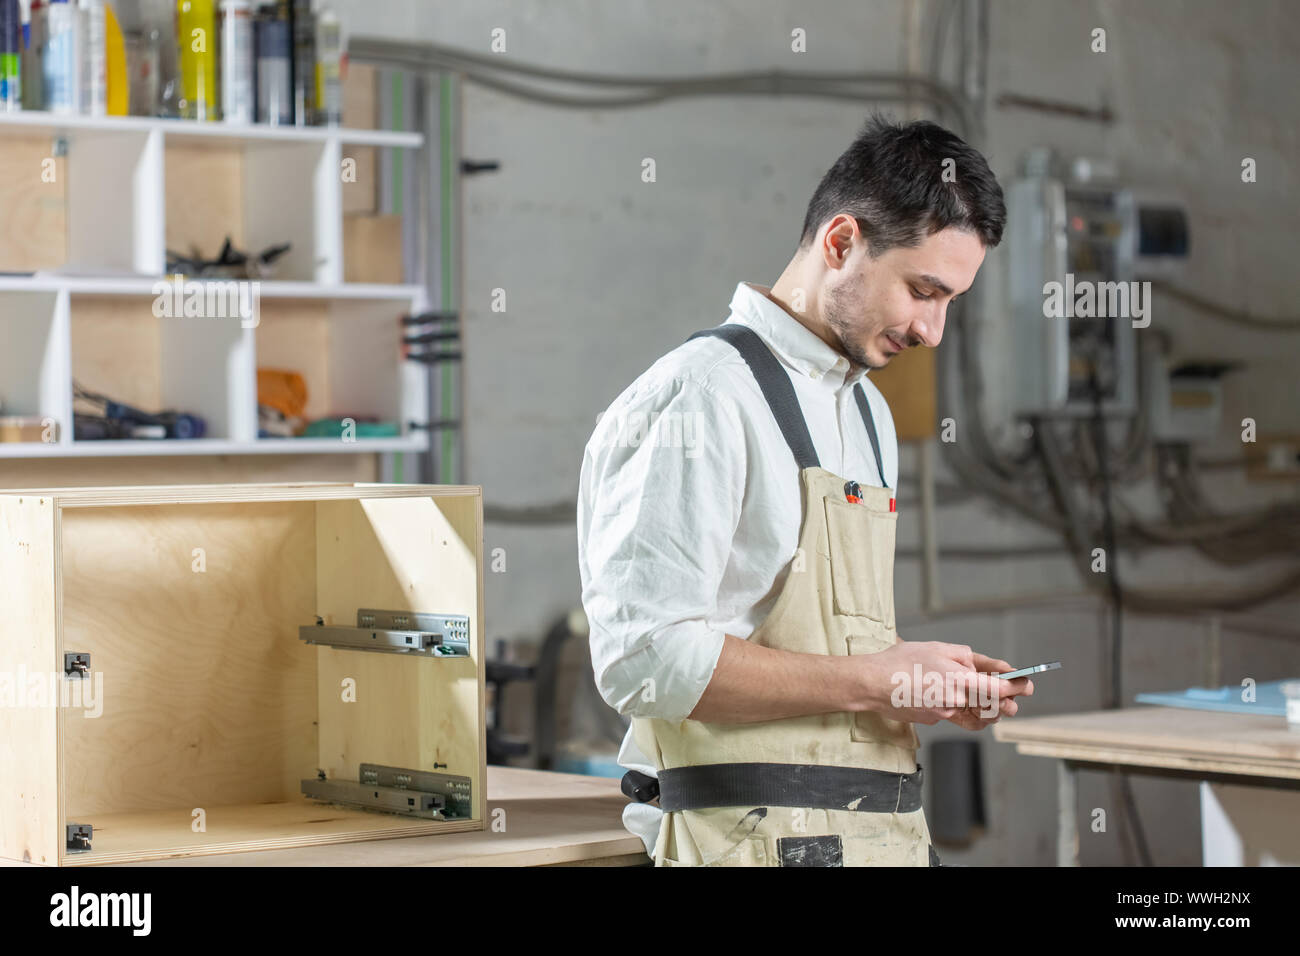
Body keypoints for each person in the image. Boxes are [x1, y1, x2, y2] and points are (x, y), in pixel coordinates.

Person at [577, 113, 1033, 867]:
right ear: (841, 242)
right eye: (923, 291)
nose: (933, 331)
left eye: (951, 300)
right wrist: (869, 680)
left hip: (878, 838)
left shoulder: (866, 408)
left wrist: (914, 686)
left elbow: (831, 660)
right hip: (743, 844)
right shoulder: (699, 399)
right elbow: (642, 658)